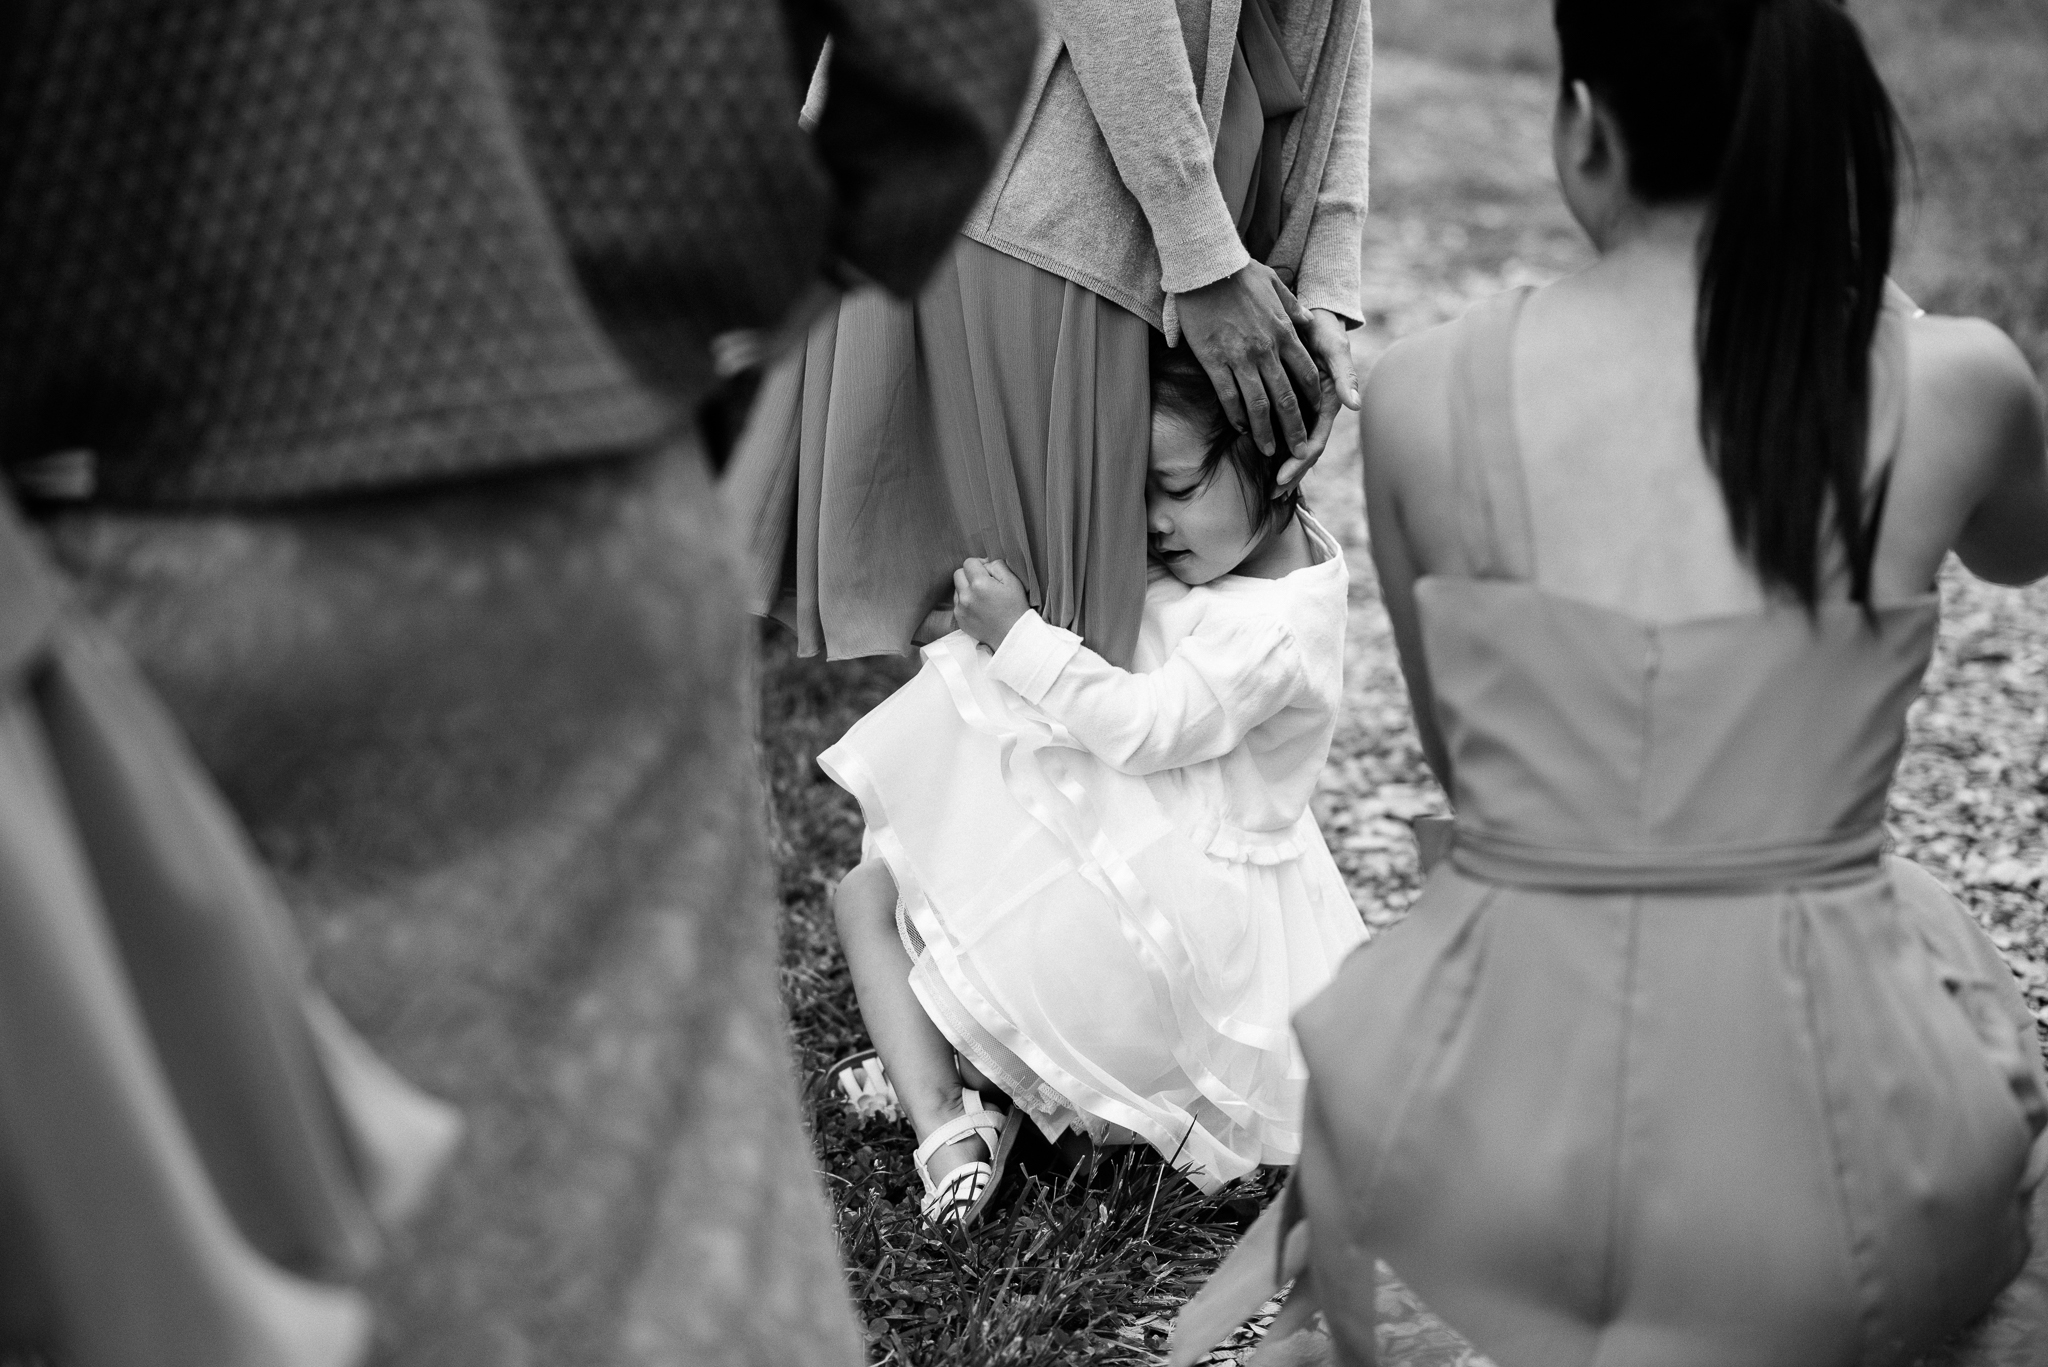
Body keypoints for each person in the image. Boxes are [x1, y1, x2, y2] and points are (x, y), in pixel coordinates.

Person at [0, 1, 1037, 1362]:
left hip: (143, 539)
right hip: (583, 500)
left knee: (199, 1234)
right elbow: (950, 48)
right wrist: (734, 322)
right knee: (651, 1204)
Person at [1173, 0, 2048, 1363]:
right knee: (1944, 956)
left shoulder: (1421, 397)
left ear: (1584, 131)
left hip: (1509, 1158)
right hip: (1844, 1160)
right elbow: (2021, 545)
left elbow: (1486, 788)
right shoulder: (1957, 380)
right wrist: (1879, 315)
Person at [818, 339, 1368, 1224]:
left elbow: (1146, 726)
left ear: (1281, 457)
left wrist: (1020, 636)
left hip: (1164, 909)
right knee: (884, 895)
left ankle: (948, 1123)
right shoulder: (1241, 561)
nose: (1153, 520)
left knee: (874, 898)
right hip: (1152, 865)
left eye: (1177, 488)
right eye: (1137, 489)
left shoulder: (1269, 632)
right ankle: (971, 1081)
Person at [730, 0, 1374, 669]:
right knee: (1046, 670)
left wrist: (1320, 268)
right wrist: (1201, 246)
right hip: (1055, 188)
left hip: (1182, 202)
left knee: (1062, 669)